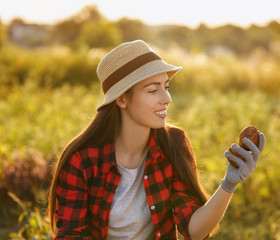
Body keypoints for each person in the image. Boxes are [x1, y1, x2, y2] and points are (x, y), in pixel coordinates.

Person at [47, 40, 266, 240]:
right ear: (122, 100)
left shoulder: (173, 144)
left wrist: (229, 183)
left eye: (166, 87)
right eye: (153, 90)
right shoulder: (81, 160)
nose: (167, 98)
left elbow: (194, 230)